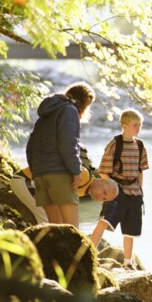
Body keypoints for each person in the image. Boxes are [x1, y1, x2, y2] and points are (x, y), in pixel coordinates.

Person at [26, 82, 95, 228]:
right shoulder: (70, 111)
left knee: (55, 229)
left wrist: (36, 171)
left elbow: (30, 146)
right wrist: (76, 171)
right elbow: (68, 144)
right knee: (72, 229)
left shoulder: (46, 114)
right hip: (59, 173)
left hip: (40, 175)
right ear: (83, 101)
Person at [89, 109, 149, 269]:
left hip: (135, 193)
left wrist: (140, 191)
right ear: (124, 125)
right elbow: (103, 172)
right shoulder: (115, 144)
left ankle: (128, 263)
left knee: (130, 231)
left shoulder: (141, 145)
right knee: (103, 223)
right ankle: (87, 255)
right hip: (116, 192)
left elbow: (140, 170)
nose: (138, 128)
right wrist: (115, 189)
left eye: (140, 125)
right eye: (135, 125)